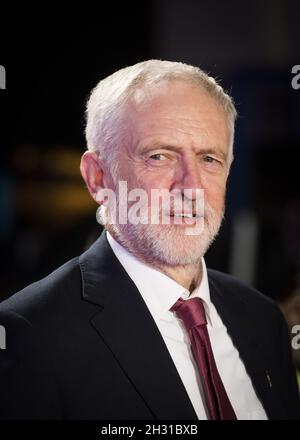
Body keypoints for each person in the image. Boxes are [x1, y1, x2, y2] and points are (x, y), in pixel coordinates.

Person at [0, 60, 299, 420]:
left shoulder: (263, 320)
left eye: (209, 159)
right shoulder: (30, 334)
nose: (191, 187)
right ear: (98, 177)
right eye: (159, 156)